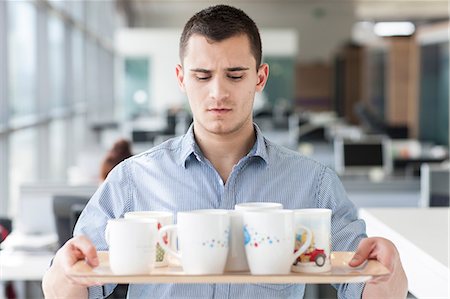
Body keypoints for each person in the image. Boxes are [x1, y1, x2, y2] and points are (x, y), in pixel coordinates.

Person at [42, 5, 407, 299]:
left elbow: (365, 284)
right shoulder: (132, 180)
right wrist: (64, 269)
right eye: (202, 76)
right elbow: (70, 289)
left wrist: (387, 273)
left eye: (235, 75)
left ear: (260, 78)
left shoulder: (312, 183)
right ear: (182, 78)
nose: (218, 92)